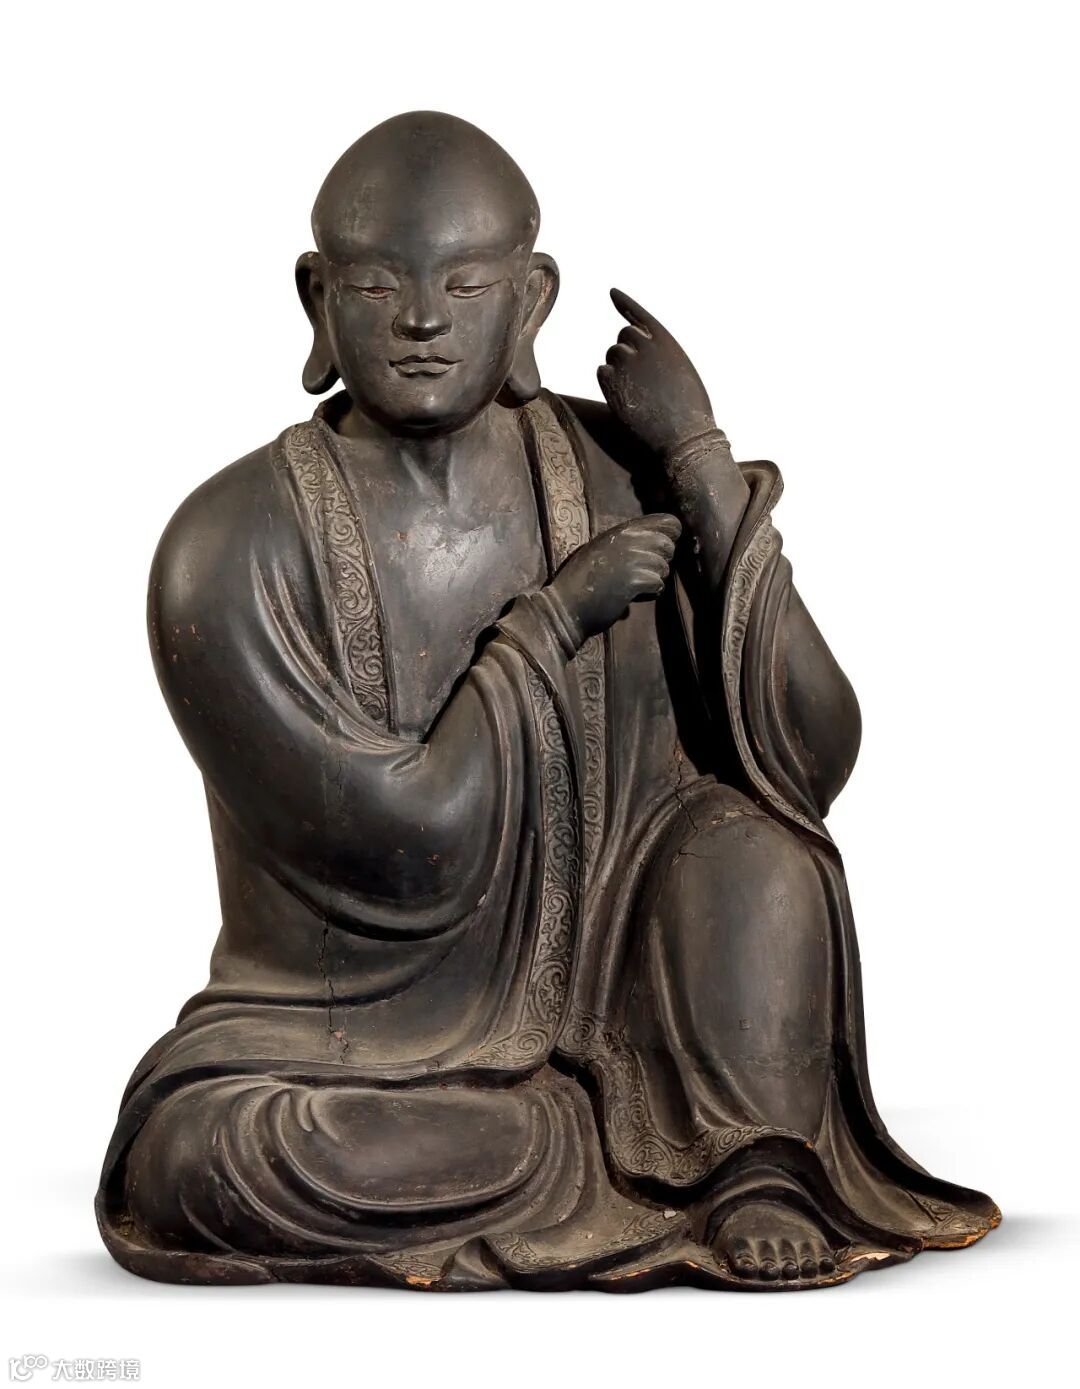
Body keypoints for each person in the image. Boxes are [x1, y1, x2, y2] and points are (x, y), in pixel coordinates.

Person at [97, 111, 998, 1289]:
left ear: (531, 303)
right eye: (378, 285)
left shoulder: (619, 476)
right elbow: (403, 846)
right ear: (317, 298)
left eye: (467, 285)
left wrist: (704, 470)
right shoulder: (226, 548)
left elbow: (815, 754)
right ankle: (608, 1140)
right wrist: (552, 621)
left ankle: (747, 1163)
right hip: (347, 1034)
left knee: (750, 844)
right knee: (196, 1158)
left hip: (617, 973)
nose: (423, 321)